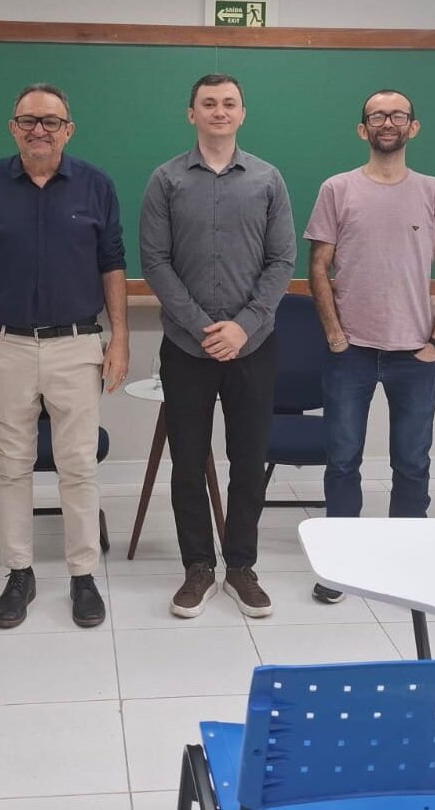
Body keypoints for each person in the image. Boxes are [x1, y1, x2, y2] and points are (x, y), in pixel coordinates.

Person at [0, 83, 129, 629]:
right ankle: (18, 573)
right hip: (6, 347)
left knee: (79, 465)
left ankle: (83, 576)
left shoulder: (96, 185)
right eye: (29, 120)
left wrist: (120, 338)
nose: (39, 130)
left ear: (69, 129)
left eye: (51, 121)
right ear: (13, 127)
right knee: (12, 465)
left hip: (77, 344)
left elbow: (112, 261)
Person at [140, 73, 295, 619]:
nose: (219, 111)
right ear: (192, 114)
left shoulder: (268, 179)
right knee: (187, 461)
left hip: (254, 346)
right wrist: (205, 327)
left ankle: (242, 567)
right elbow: (155, 262)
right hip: (186, 349)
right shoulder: (165, 180)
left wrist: (243, 326)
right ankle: (198, 567)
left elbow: (282, 261)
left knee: (248, 461)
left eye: (229, 103)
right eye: (208, 103)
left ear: (242, 113)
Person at [304, 89, 435, 603]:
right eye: (377, 116)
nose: (387, 123)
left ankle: (406, 560)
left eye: (398, 115)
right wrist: (334, 333)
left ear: (413, 127)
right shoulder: (337, 189)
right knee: (342, 459)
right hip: (350, 352)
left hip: (414, 354)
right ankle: (340, 564)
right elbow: (318, 266)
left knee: (412, 462)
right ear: (363, 129)